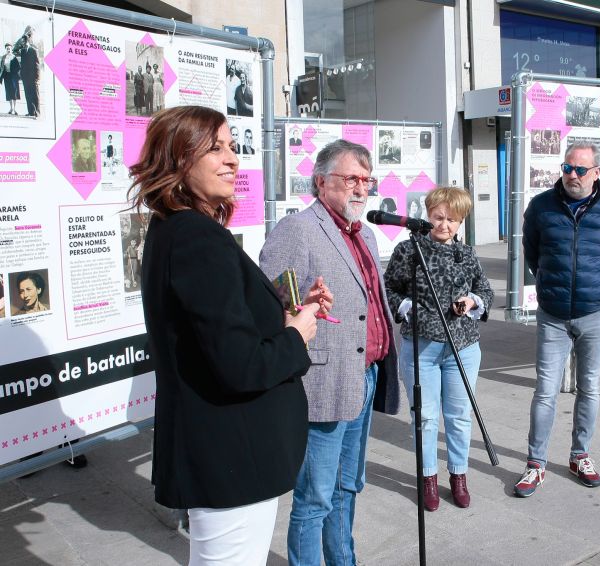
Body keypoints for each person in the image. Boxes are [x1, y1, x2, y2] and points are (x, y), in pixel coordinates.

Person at [129, 105, 328, 564]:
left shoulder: (176, 230)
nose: (233, 158)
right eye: (215, 147)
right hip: (234, 458)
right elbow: (240, 364)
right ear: (177, 159)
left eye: (233, 146)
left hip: (228, 454)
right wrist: (297, 335)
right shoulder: (197, 238)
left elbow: (218, 327)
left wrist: (288, 308)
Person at [259, 139, 400, 566]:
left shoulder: (367, 234)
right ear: (321, 182)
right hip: (323, 381)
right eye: (351, 179)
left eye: (367, 180)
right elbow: (270, 300)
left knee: (347, 488)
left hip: (363, 377)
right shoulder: (298, 230)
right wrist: (300, 305)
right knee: (316, 496)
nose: (361, 189)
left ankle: (344, 561)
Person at [515, 140, 600, 496]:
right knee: (545, 391)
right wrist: (550, 285)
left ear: (596, 173)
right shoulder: (541, 207)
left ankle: (579, 454)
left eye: (580, 169)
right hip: (553, 314)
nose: (572, 175)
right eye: (568, 167)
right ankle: (536, 463)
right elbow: (532, 252)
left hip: (596, 313)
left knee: (590, 388)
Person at [384, 187, 494, 511]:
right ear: (428, 215)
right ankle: (428, 478)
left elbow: (484, 289)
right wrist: (406, 306)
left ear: (461, 223)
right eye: (438, 217)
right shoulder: (409, 250)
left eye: (452, 219)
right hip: (421, 347)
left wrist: (472, 301)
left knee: (459, 416)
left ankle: (459, 476)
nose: (444, 225)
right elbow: (387, 287)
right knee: (425, 417)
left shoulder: (468, 254)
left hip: (463, 347)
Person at [15, 26, 40, 118]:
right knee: (28, 95)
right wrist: (22, 37)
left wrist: (37, 77)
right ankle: (30, 112)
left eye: (26, 42)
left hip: (33, 77)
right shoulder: (22, 51)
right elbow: (15, 48)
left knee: (35, 95)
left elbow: (37, 65)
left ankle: (37, 113)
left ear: (29, 41)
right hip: (25, 77)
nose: (24, 43)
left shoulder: (34, 50)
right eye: (24, 42)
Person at [0, 42, 21, 115]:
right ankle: (10, 108)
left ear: (11, 49)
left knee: (14, 92)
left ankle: (14, 109)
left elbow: (18, 67)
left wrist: (16, 75)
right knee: (9, 93)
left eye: (9, 48)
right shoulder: (3, 57)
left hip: (13, 77)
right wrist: (1, 76)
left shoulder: (14, 57)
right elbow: (1, 68)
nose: (8, 50)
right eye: (7, 48)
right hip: (7, 77)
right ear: (5, 49)